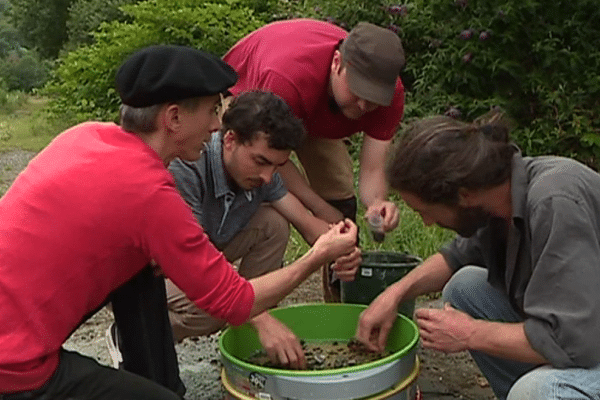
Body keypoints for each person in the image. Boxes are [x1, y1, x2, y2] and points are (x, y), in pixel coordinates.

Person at [0, 44, 360, 399]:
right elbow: (234, 303)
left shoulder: (86, 136)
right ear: (173, 119)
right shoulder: (148, 192)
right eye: (210, 110)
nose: (217, 124)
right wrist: (315, 257)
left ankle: (160, 381)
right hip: (14, 366)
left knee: (144, 264)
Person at [355, 111, 600, 400]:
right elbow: (454, 257)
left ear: (462, 195)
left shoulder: (554, 202)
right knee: (465, 286)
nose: (427, 222)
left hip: (584, 340)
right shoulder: (498, 198)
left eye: (426, 212)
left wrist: (470, 333)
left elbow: (569, 340)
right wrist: (394, 295)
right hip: (583, 332)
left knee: (536, 392)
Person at [165, 90, 358, 365]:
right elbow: (196, 272)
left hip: (202, 259)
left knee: (273, 224)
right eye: (261, 162)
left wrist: (343, 248)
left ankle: (248, 322)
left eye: (277, 166)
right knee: (215, 307)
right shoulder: (187, 165)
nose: (268, 177)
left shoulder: (263, 174)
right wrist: (255, 314)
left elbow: (307, 223)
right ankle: (134, 333)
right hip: (152, 270)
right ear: (230, 140)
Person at [223, 18, 404, 300]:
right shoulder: (287, 77)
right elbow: (273, 162)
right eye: (358, 91)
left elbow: (371, 168)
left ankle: (338, 300)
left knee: (339, 197)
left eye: (374, 99)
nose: (364, 106)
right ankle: (244, 300)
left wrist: (377, 203)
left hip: (316, 113)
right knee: (259, 181)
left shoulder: (390, 95)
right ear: (337, 63)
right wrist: (316, 208)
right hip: (259, 98)